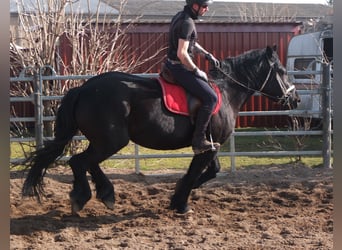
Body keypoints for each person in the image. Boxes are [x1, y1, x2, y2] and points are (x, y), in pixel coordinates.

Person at [165, 0, 220, 154]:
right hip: (180, 68)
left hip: (170, 65)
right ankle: (199, 140)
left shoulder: (179, 16)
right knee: (211, 98)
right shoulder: (187, 23)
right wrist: (197, 71)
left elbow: (191, 43)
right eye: (204, 6)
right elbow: (182, 53)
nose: (207, 9)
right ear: (194, 6)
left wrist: (206, 54)